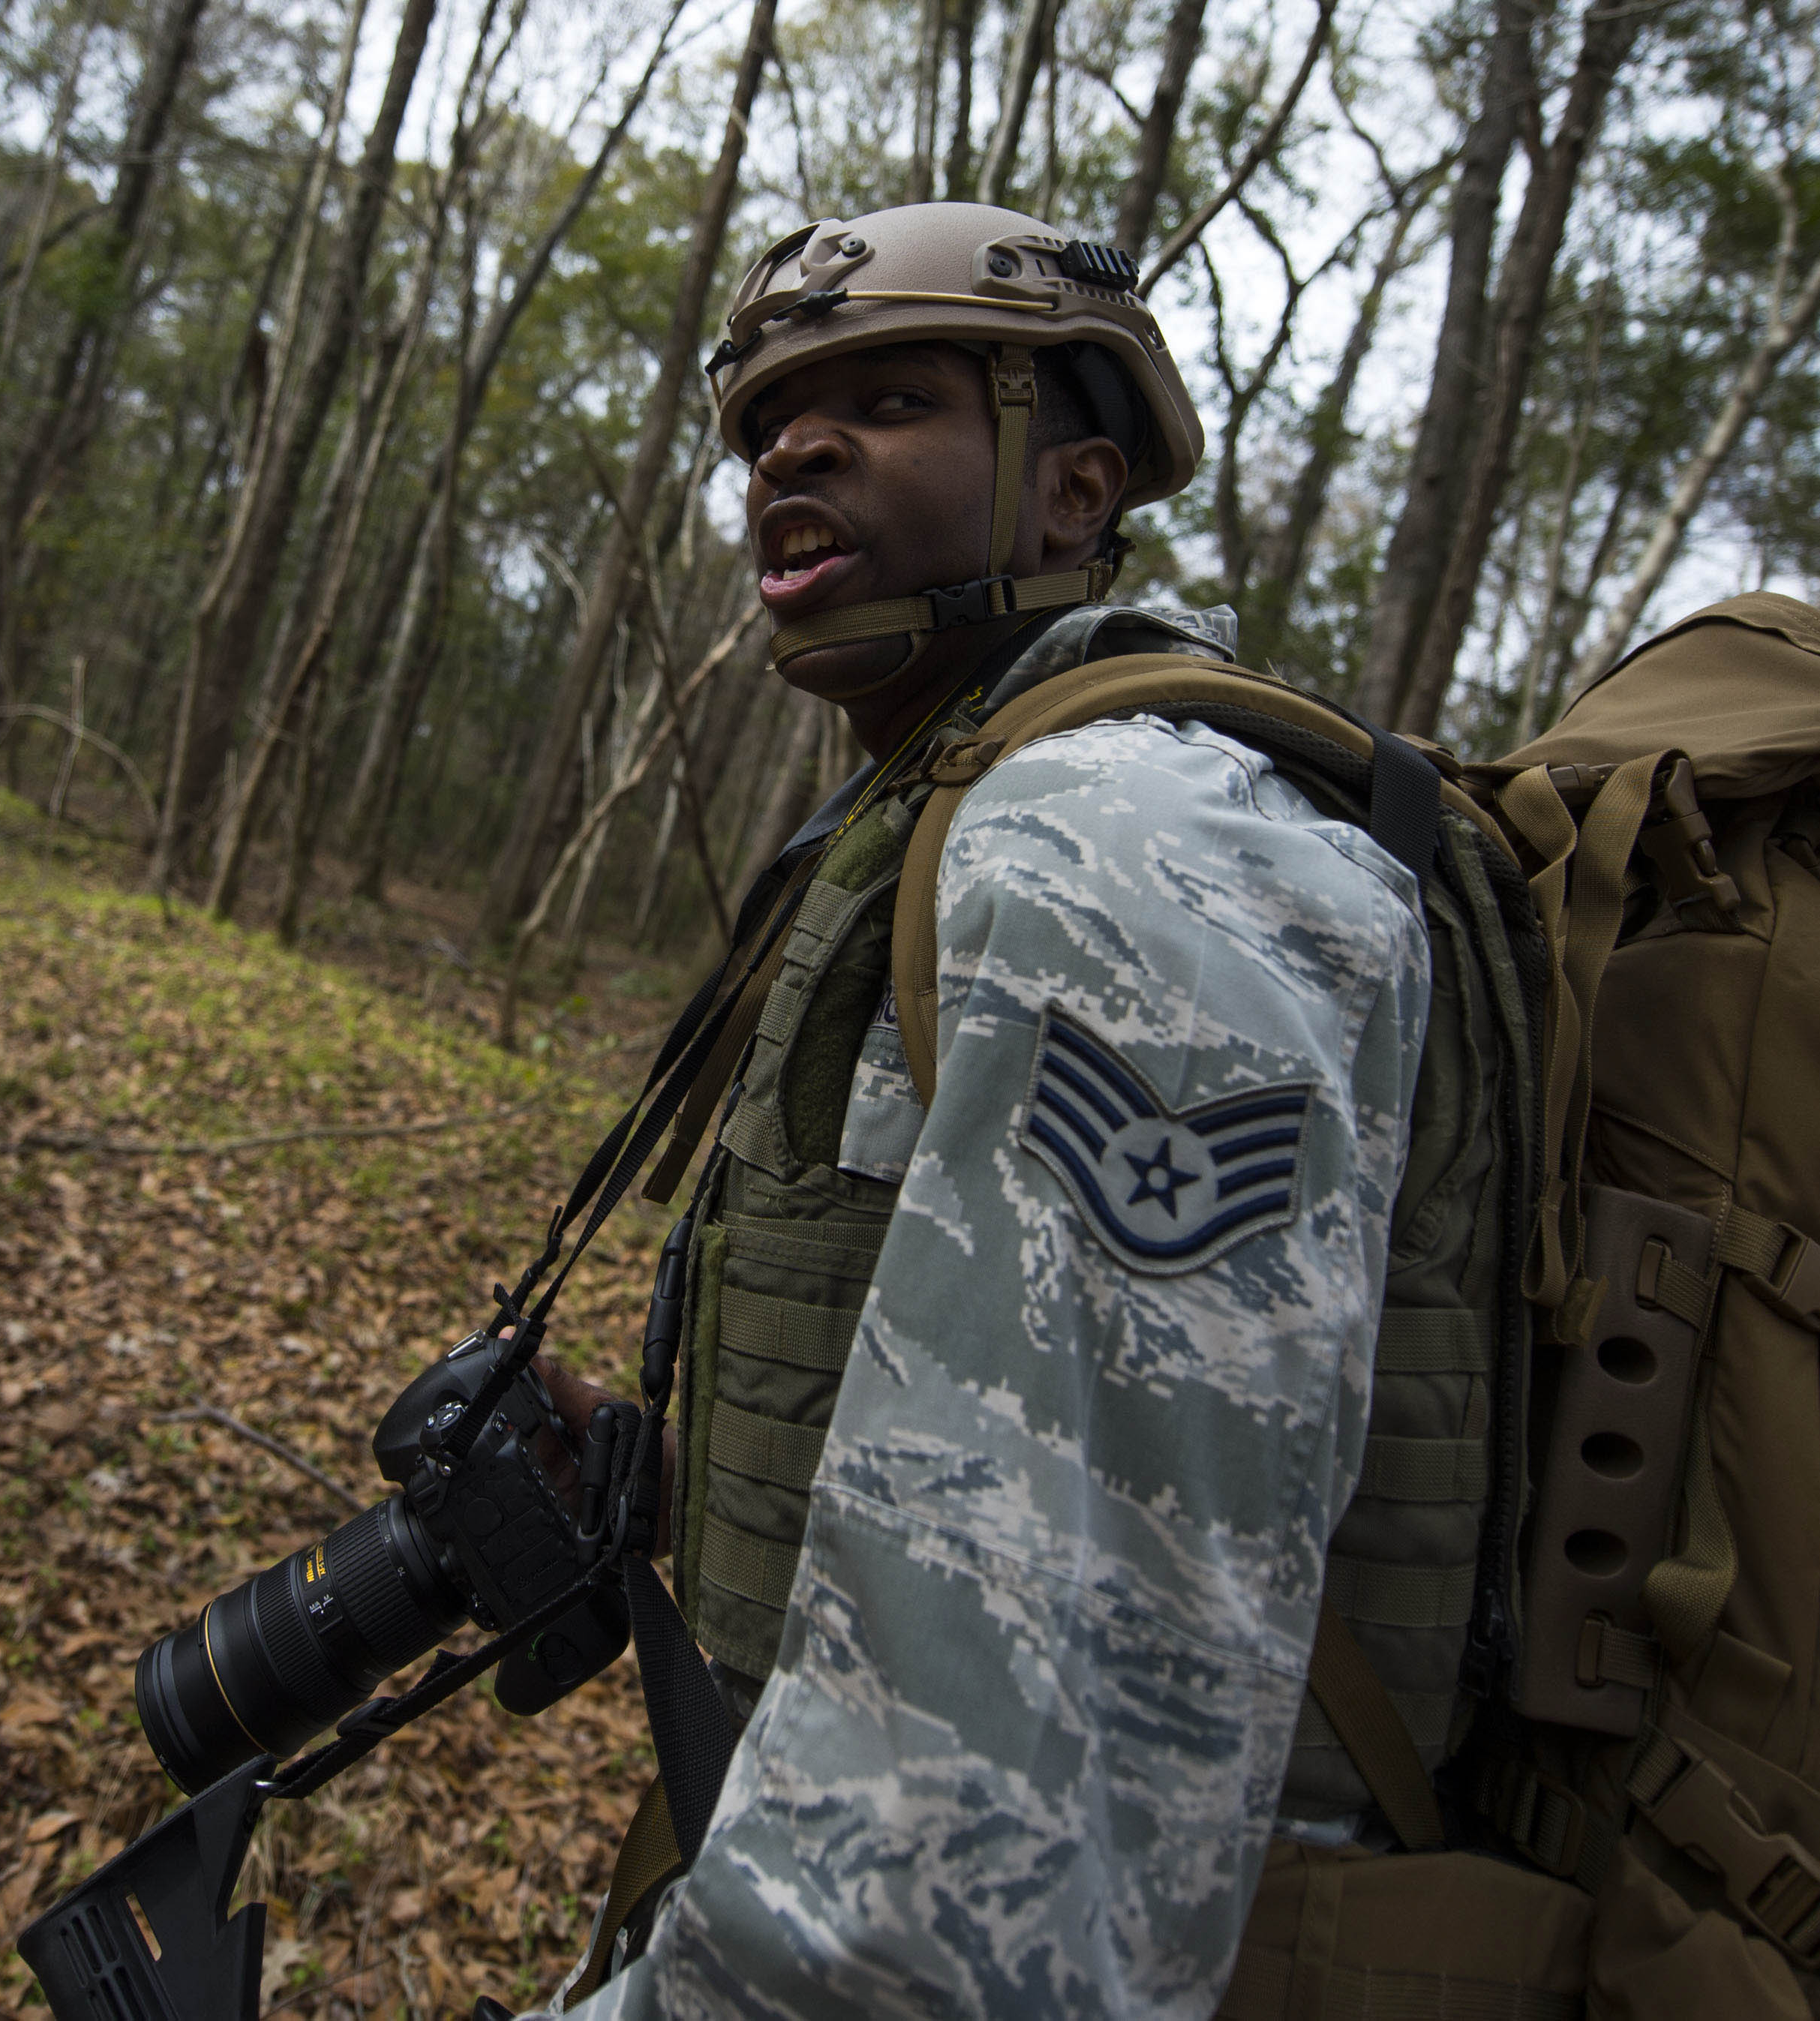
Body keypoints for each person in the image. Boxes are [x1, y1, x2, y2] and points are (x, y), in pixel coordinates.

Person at [532, 204, 1431, 2017]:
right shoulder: (957, 802)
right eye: (775, 421)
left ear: (1070, 492)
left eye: (890, 397)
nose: (795, 444)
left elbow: (983, 1885)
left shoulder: (1114, 848)